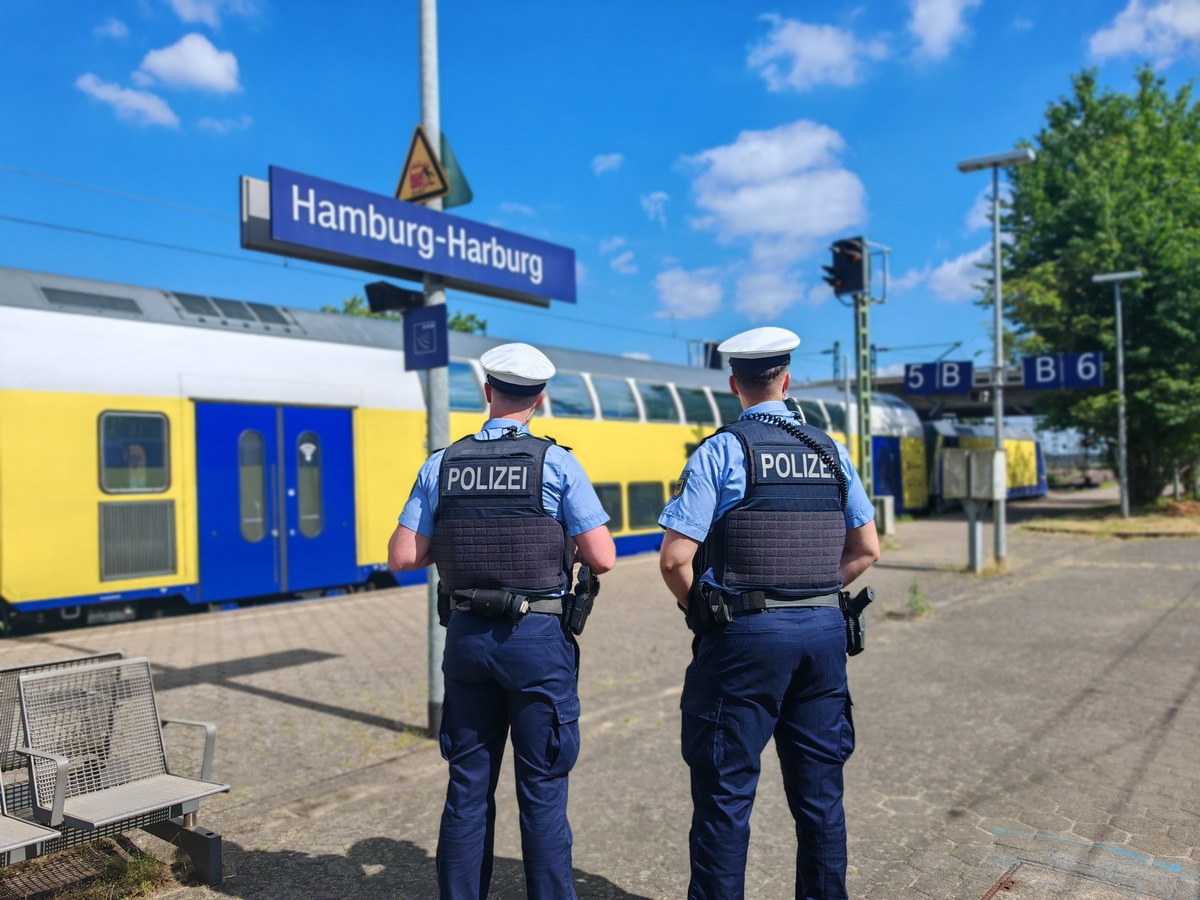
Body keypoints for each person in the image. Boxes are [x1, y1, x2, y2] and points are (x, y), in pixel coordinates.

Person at [658, 326, 879, 900]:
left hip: (744, 639)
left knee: (725, 796)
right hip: (824, 637)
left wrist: (704, 613)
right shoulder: (830, 451)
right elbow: (867, 549)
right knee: (821, 798)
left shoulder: (723, 449)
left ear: (734, 384)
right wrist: (816, 592)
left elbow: (675, 559)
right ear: (788, 380)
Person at [388, 342, 616, 900]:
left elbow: (401, 555)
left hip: (467, 639)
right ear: (539, 399)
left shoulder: (442, 463)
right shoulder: (556, 462)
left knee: (467, 786)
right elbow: (604, 555)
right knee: (541, 788)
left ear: (487, 392)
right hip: (538, 640)